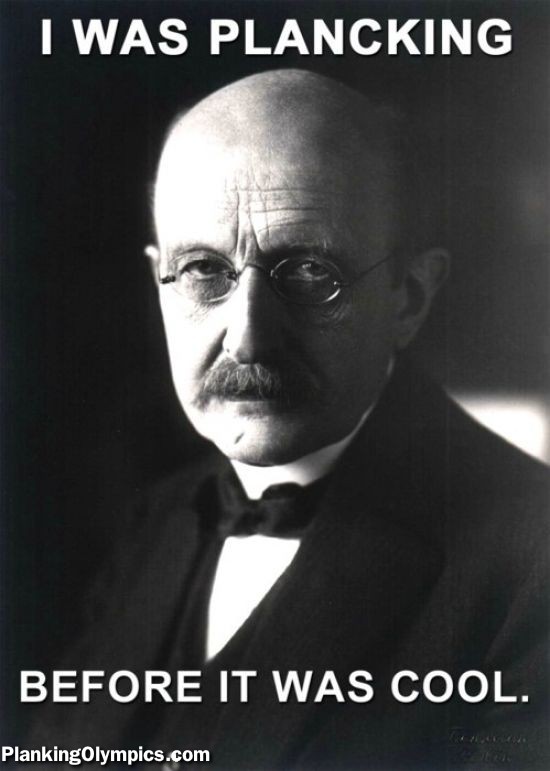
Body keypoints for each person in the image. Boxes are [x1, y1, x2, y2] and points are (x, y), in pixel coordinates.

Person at [28, 69, 549, 769]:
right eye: (202, 270)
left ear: (409, 297)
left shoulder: (531, 570)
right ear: (159, 280)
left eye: (308, 273)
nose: (247, 339)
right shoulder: (155, 521)